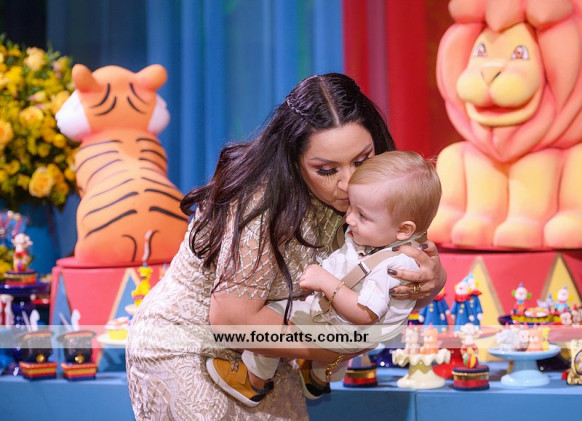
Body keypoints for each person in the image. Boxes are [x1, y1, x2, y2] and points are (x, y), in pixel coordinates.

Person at [126, 73, 446, 420]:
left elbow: (385, 296)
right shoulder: (260, 201)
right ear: (293, 160)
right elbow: (233, 320)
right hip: (188, 346)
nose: (349, 182)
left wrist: (431, 280)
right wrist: (337, 346)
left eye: (362, 160)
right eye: (327, 169)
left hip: (273, 350)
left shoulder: (379, 193)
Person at [206, 150, 442, 406]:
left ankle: (252, 380)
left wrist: (326, 282)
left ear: (403, 229)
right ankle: (318, 376)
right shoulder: (385, 238)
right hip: (350, 328)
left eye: (362, 215)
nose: (349, 218)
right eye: (351, 207)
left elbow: (365, 314)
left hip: (348, 328)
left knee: (278, 316)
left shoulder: (395, 263)